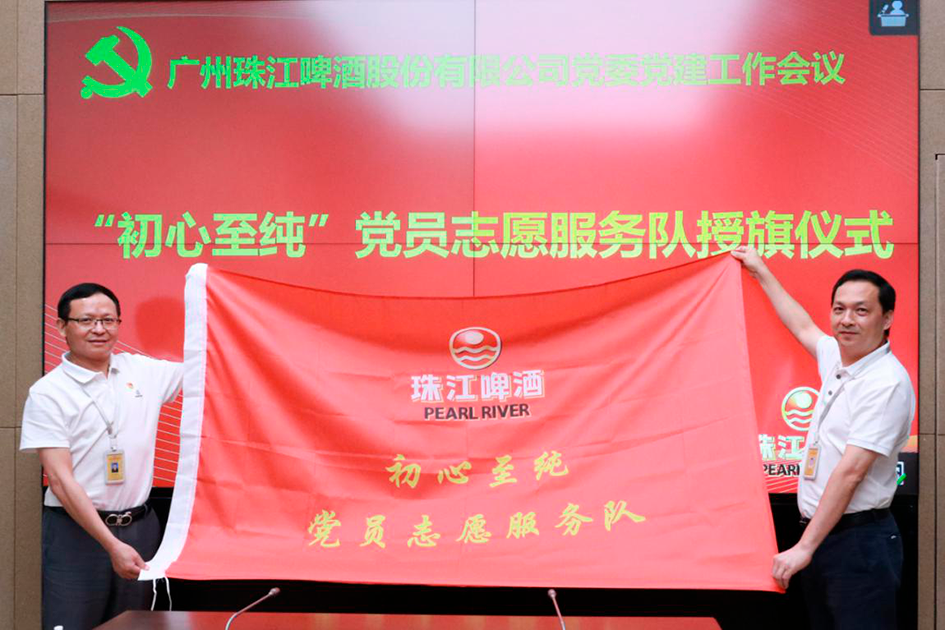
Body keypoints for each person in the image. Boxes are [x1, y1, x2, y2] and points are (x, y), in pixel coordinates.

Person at [732, 246, 914, 628]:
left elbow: (851, 473)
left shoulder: (885, 383)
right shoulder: (839, 357)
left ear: (887, 318)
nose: (847, 320)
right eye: (839, 309)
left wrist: (804, 548)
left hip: (858, 543)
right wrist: (760, 271)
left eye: (861, 311)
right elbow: (801, 325)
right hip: (825, 537)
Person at [20, 283, 183, 630]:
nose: (99, 329)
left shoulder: (142, 372)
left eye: (108, 320)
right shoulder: (48, 393)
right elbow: (60, 480)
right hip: (76, 533)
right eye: (86, 320)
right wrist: (111, 545)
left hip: (140, 527)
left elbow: (207, 370)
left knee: (136, 625)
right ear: (62, 327)